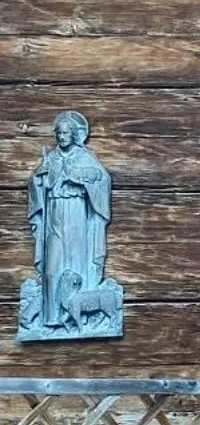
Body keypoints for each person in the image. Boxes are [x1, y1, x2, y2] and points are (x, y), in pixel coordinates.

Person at [27, 111, 113, 330]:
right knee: (50, 268)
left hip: (76, 214)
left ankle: (79, 315)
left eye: (66, 133)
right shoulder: (51, 157)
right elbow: (37, 183)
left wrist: (75, 175)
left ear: (74, 135)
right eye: (59, 133)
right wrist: (39, 176)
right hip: (54, 214)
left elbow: (101, 178)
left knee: (77, 265)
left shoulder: (83, 156)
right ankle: (51, 317)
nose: (61, 137)